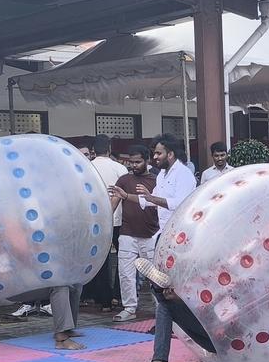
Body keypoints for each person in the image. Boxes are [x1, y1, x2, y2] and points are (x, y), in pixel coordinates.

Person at [131, 259, 217, 362]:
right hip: (216, 338)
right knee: (167, 303)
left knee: (165, 306)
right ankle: (160, 288)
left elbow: (220, 324)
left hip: (224, 347)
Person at [108, 145, 159, 323]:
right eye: (131, 162)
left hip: (151, 234)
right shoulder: (123, 180)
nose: (134, 165)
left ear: (147, 161)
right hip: (127, 233)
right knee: (125, 273)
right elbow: (113, 204)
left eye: (138, 162)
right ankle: (129, 308)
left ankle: (160, 307)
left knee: (155, 274)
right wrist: (105, 222)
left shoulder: (157, 180)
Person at [84, 135, 128, 313]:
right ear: (109, 149)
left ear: (93, 150)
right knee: (123, 259)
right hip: (118, 219)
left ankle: (104, 300)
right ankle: (119, 294)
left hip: (94, 220)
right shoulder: (119, 168)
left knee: (99, 260)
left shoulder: (87, 167)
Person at [136, 137, 197, 237]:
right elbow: (150, 199)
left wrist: (152, 198)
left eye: (158, 153)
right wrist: (125, 196)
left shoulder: (183, 173)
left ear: (170, 154)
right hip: (165, 231)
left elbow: (180, 204)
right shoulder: (161, 174)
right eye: (154, 153)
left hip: (182, 233)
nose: (154, 157)